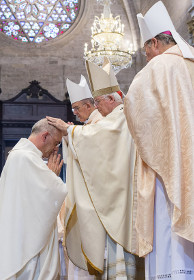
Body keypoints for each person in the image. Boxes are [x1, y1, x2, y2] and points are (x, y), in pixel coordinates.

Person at [47, 58, 138, 279]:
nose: (96, 106)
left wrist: (70, 133)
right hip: (107, 196)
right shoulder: (103, 122)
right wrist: (72, 135)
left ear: (110, 99)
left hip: (117, 196)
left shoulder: (120, 117)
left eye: (97, 102)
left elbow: (100, 141)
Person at [123, 1, 194, 279]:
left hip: (171, 169)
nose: (147, 56)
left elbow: (135, 110)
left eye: (146, 50)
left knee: (171, 237)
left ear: (154, 42)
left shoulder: (156, 68)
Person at [0, 118, 67, 280]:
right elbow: (43, 201)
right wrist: (52, 178)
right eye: (56, 143)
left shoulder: (22, 156)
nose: (56, 149)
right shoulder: (25, 158)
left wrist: (49, 177)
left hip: (24, 235)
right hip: (25, 243)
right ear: (44, 136)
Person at [63, 75, 102, 279]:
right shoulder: (88, 124)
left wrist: (71, 131)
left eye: (77, 108)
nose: (75, 112)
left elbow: (97, 150)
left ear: (89, 104)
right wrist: (71, 135)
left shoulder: (99, 120)